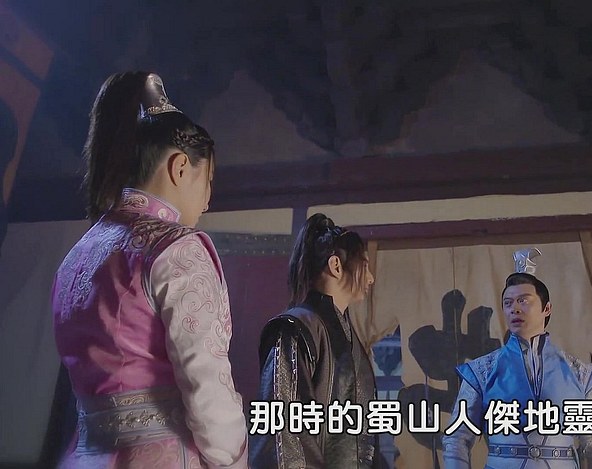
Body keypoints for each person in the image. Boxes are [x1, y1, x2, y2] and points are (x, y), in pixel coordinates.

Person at [52, 72, 248, 468]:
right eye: (208, 181)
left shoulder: (78, 255)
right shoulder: (177, 247)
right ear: (180, 167)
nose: (207, 201)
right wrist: (232, 458)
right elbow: (207, 386)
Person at [442, 250, 592, 469]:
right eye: (508, 303)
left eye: (523, 301)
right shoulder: (482, 371)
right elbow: (457, 438)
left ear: (546, 308)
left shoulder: (579, 373)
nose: (514, 308)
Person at [250, 213, 380, 468]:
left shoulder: (348, 334)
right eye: (365, 266)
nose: (370, 278)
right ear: (336, 265)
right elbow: (282, 428)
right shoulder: (292, 329)